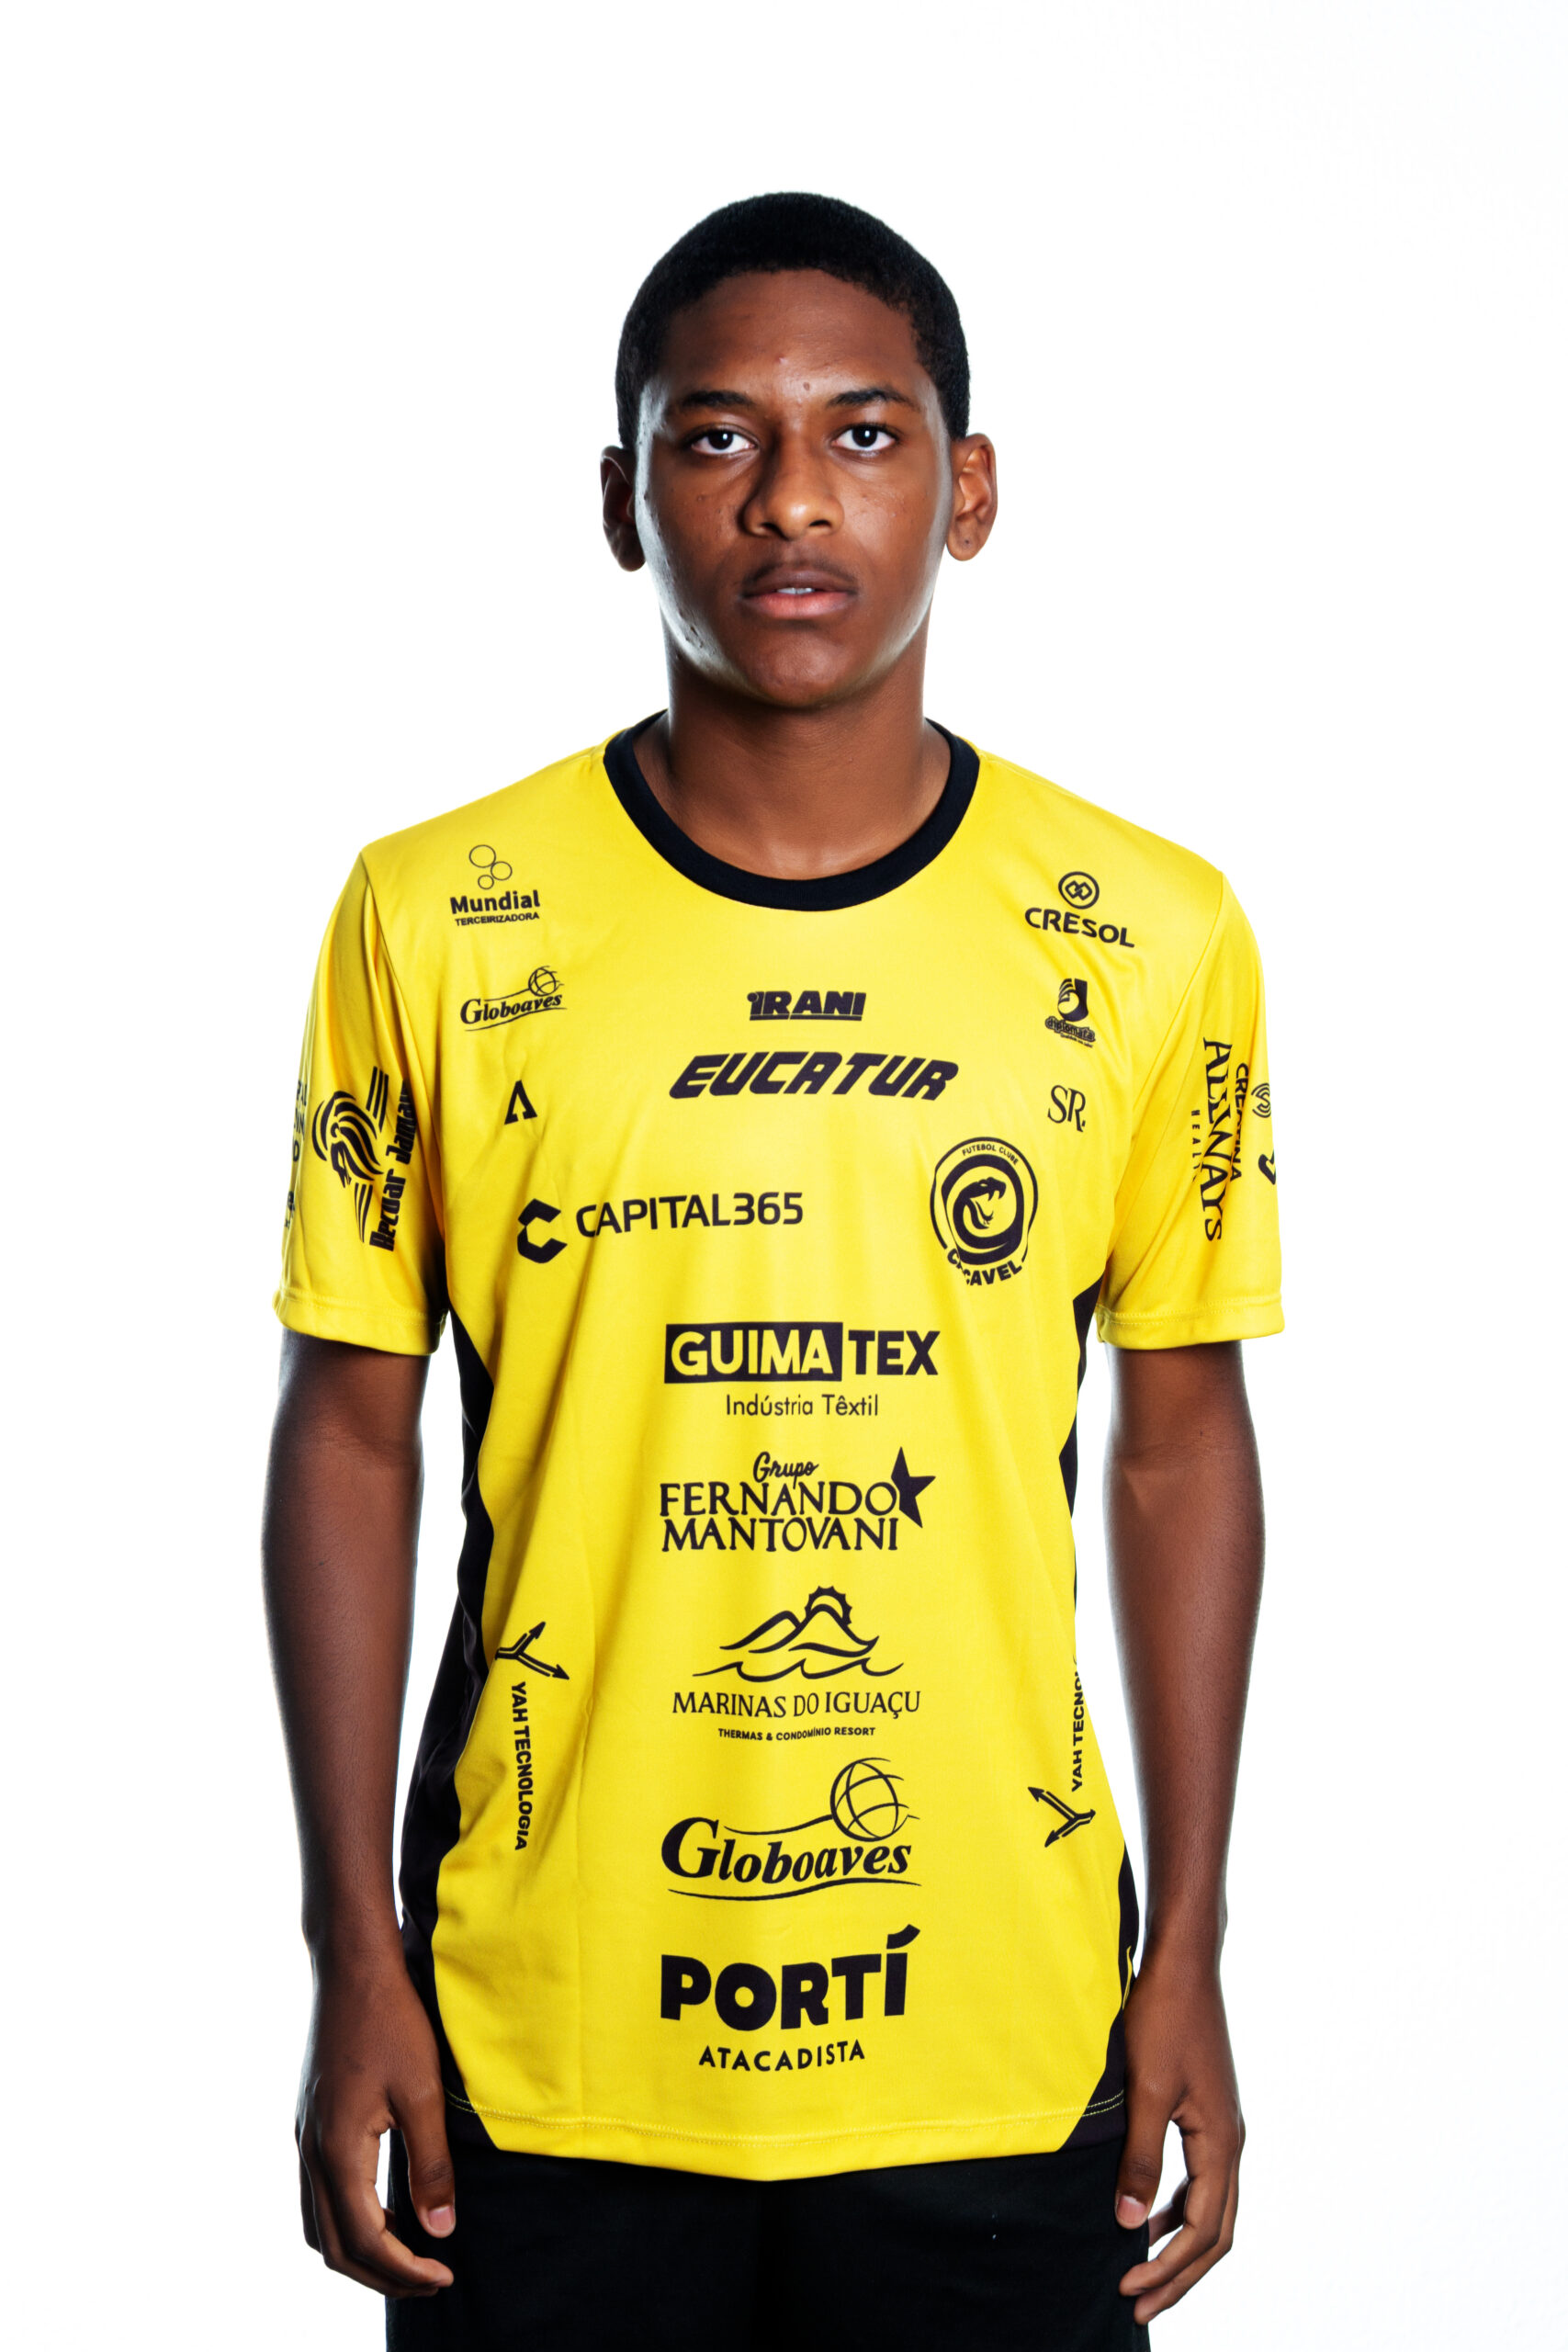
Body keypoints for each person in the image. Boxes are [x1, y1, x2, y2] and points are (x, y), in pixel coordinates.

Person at [264, 192, 1282, 2351]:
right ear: (620, 498)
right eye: (716, 435)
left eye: (863, 433)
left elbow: (1178, 1439)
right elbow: (347, 1434)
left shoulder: (1150, 928)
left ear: (967, 489)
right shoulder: (432, 914)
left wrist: (1185, 1939)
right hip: (539, 2036)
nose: (791, 497)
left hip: (998, 2031)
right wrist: (354, 1945)